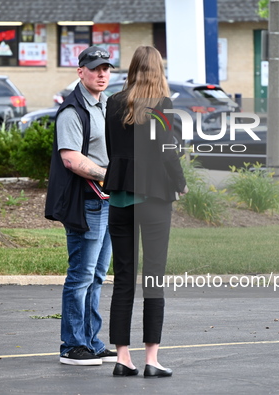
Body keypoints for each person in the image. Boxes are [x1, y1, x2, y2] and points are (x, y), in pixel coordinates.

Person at [103, 45, 188, 378]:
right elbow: (168, 153)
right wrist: (180, 184)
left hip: (121, 198)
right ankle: (152, 359)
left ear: (132, 69)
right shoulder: (161, 106)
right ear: (158, 71)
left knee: (123, 279)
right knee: (153, 278)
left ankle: (123, 358)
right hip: (153, 199)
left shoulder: (112, 103)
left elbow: (113, 150)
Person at [45, 46, 117, 366]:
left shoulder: (103, 106)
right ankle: (72, 345)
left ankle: (90, 340)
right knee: (81, 276)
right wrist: (110, 177)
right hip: (86, 203)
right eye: (95, 68)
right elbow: (71, 159)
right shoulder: (73, 111)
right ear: (80, 72)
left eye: (106, 69)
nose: (102, 74)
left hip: (107, 201)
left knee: (98, 275)